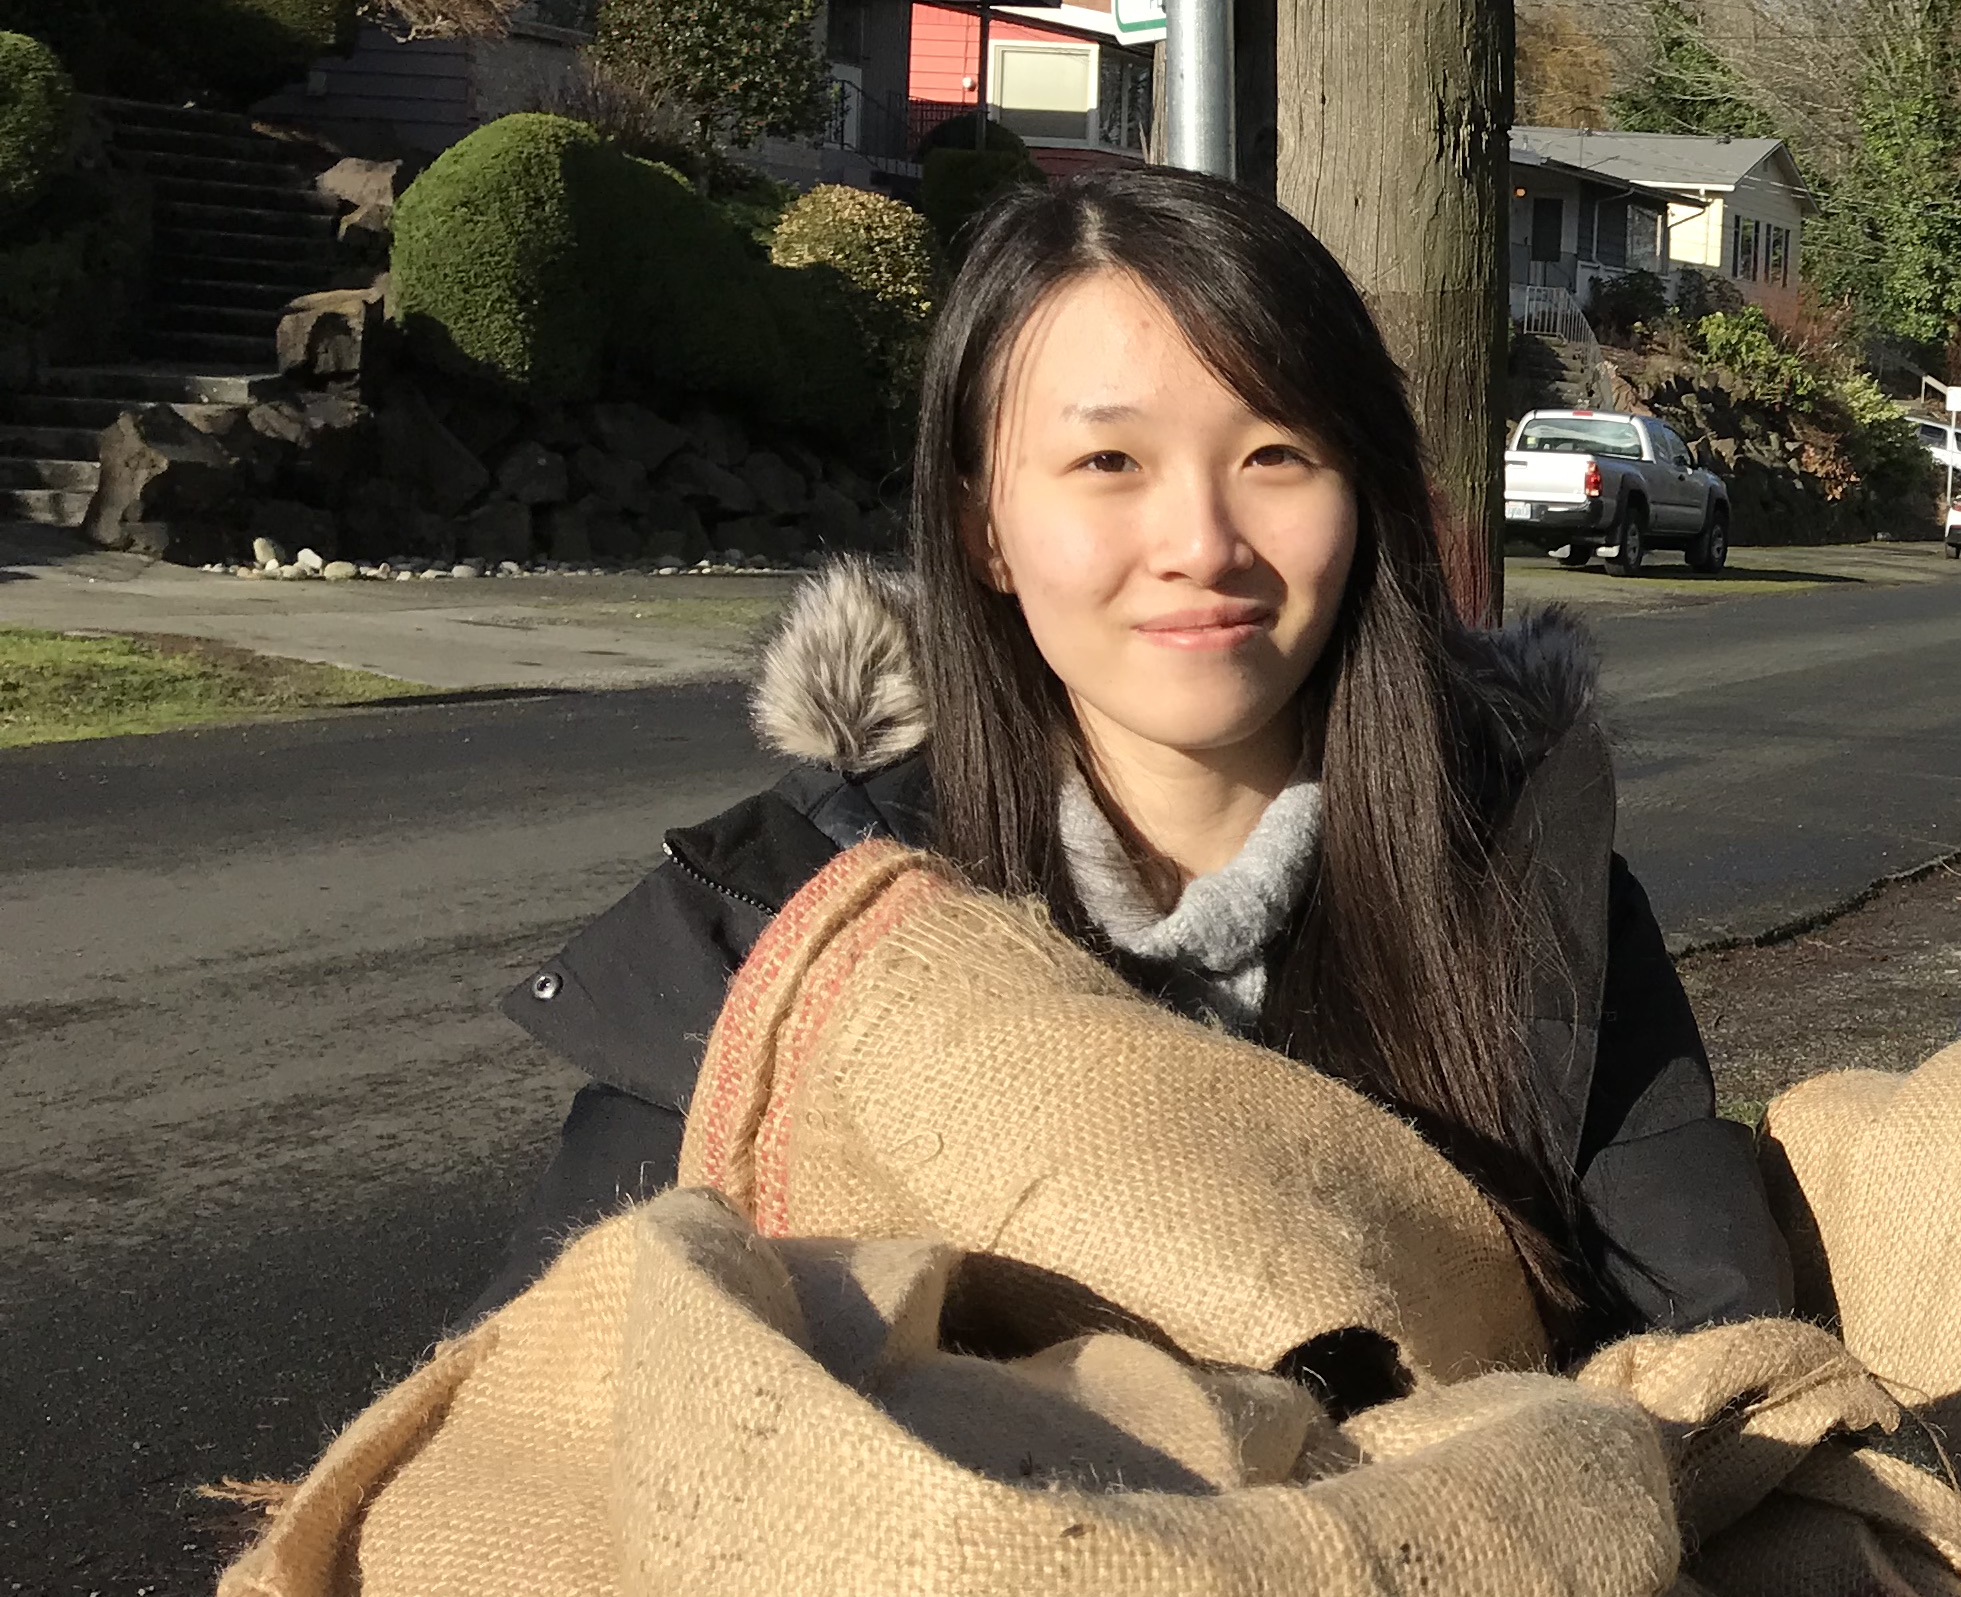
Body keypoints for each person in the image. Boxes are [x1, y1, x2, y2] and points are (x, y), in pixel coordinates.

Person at [493, 166, 1793, 1351]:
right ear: (985, 528)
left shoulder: (1530, 887)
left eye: (1275, 454)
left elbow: (1718, 1354)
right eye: (1108, 460)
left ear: (1365, 498)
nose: (1203, 542)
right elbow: (547, 1398)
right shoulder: (787, 921)